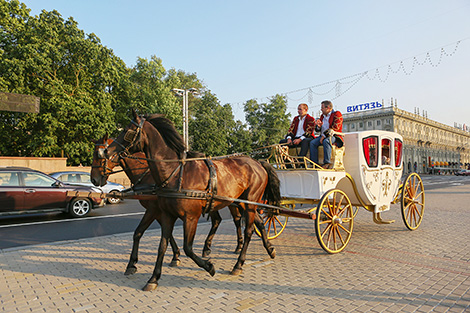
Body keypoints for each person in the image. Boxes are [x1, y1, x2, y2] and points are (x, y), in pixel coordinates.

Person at [309, 100, 344, 169]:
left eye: (322, 108)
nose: (321, 110)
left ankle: (327, 162)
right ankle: (314, 163)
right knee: (312, 143)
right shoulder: (322, 116)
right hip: (322, 136)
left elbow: (334, 128)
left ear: (327, 108)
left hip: (334, 136)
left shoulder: (337, 114)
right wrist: (318, 126)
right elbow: (318, 130)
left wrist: (323, 136)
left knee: (326, 141)